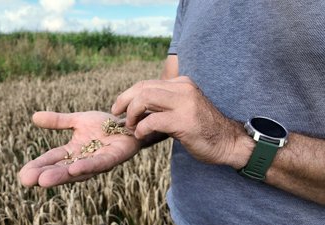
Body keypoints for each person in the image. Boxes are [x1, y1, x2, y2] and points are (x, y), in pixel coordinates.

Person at [19, 0, 325, 224]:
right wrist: (124, 126)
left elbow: (219, 134)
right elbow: (172, 87)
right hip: (184, 215)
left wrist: (233, 142)